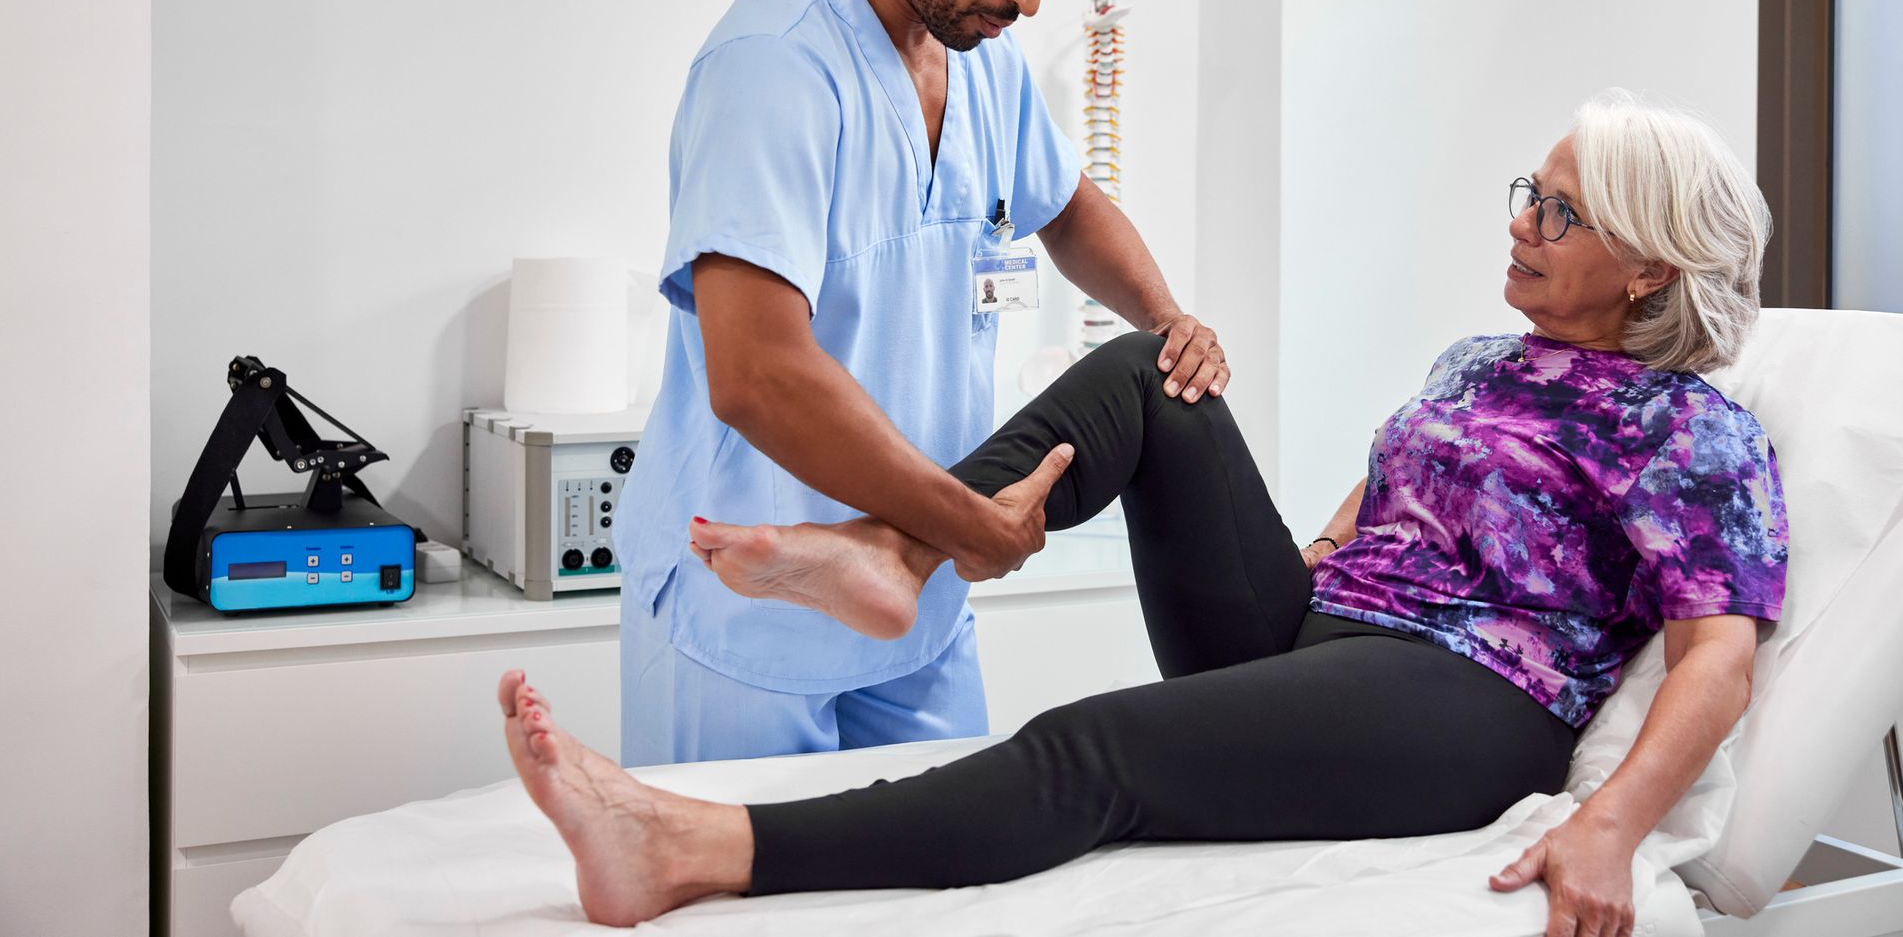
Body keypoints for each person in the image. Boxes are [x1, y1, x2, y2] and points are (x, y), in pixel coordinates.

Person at [508, 93, 1786, 937]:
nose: (1521, 221)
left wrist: (1606, 827)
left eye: (1560, 213)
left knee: (1093, 751)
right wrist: (1321, 551)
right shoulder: (1485, 360)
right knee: (1151, 361)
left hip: (1466, 701)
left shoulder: (1692, 430)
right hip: (1326, 631)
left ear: (1649, 266)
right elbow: (1404, 484)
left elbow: (1716, 656)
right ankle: (900, 548)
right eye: (1532, 188)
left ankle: (693, 847)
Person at [613, 0, 1227, 766]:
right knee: (747, 913)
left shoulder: (982, 55)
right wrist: (960, 522)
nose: (1031, 1)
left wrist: (1166, 318)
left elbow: (1066, 205)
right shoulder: (774, 65)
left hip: (917, 611)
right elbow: (755, 373)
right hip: (750, 607)